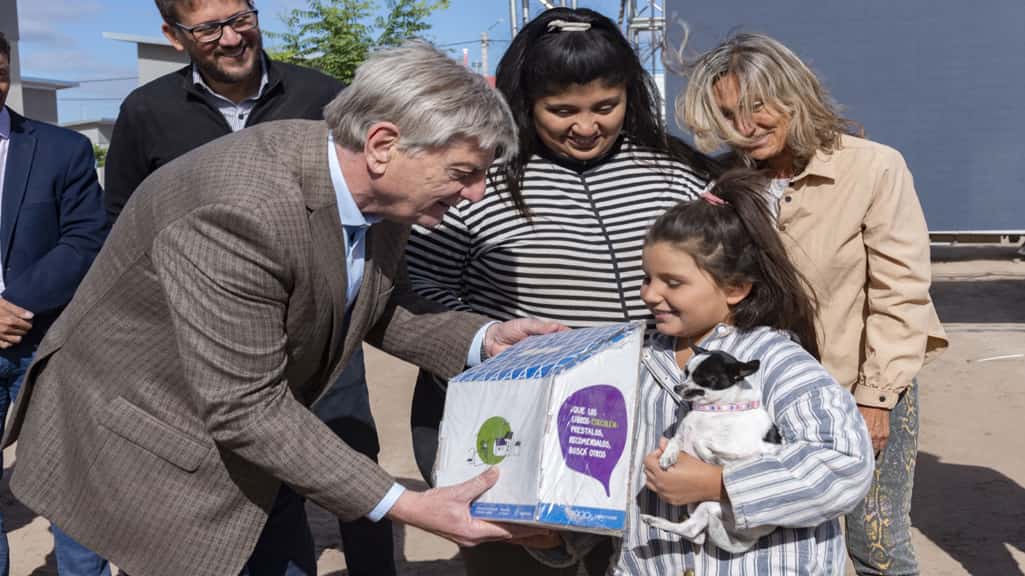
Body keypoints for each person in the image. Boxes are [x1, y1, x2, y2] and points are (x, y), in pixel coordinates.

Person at [2, 41, 559, 576]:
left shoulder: (374, 190)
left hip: (258, 436)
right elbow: (246, 408)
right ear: (384, 145)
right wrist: (408, 506)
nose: (477, 194)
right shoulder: (242, 211)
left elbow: (373, 299)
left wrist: (482, 340)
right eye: (463, 173)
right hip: (156, 447)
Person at [405, 8, 716, 573]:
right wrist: (491, 343)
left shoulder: (677, 174)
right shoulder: (481, 180)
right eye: (562, 111)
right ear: (525, 103)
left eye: (606, 106)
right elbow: (417, 288)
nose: (587, 126)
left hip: (649, 423)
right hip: (514, 429)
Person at [105, 1, 392, 573]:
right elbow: (123, 227)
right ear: (173, 34)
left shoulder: (325, 97)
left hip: (325, 331)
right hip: (212, 339)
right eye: (209, 28)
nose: (233, 38)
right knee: (245, 474)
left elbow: (373, 203)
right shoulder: (146, 111)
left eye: (242, 18)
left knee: (357, 471)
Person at [678, 32, 948, 575]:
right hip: (756, 394)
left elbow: (902, 290)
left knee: (875, 544)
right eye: (729, 114)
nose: (744, 127)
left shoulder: (873, 167)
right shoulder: (719, 180)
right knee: (767, 537)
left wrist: (876, 400)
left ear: (795, 94)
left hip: (862, 382)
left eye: (758, 107)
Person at [530, 169, 875, 574]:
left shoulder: (777, 363)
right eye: (646, 278)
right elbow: (604, 476)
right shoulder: (628, 366)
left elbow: (844, 465)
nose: (649, 294)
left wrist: (721, 484)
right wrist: (557, 537)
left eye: (672, 282)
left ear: (735, 288)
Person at [0, 32, 109, 576]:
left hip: (46, 340)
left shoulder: (61, 149)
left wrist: (10, 304)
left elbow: (85, 240)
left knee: (72, 487)